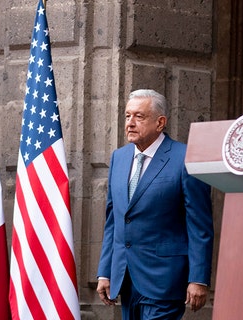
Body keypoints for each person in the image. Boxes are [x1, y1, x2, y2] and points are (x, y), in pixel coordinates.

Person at [96, 89, 214, 319]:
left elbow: (199, 225)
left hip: (165, 280)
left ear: (160, 123)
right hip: (126, 278)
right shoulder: (118, 158)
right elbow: (114, 220)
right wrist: (105, 272)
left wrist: (198, 278)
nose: (130, 123)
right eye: (127, 116)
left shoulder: (186, 157)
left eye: (139, 117)